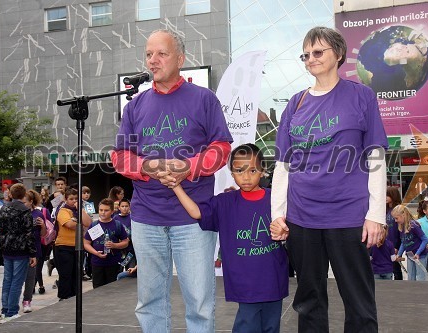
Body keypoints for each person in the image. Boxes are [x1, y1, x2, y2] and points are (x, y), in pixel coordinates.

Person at [111, 28, 233, 332]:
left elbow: (222, 148)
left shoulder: (204, 99)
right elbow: (119, 156)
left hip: (193, 218)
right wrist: (147, 166)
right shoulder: (135, 106)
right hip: (146, 216)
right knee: (150, 302)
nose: (153, 60)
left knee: (200, 304)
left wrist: (188, 167)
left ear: (180, 58)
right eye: (149, 54)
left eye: (161, 53)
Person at [269, 26, 388, 332]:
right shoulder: (294, 104)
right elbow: (283, 164)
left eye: (318, 52)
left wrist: (376, 215)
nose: (311, 59)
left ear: (338, 54)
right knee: (308, 301)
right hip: (302, 218)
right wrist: (278, 215)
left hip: (349, 215)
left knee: (359, 303)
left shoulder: (361, 96)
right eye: (306, 54)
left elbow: (375, 156)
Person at [174, 144, 288, 333]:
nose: (246, 176)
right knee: (246, 325)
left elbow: (290, 227)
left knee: (271, 327)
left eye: (252, 170)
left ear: (262, 171)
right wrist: (176, 186)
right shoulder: (225, 202)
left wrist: (285, 231)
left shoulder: (275, 200)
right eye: (239, 170)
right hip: (245, 282)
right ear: (232, 173)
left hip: (273, 280)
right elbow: (196, 212)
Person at [0, 183, 37, 323]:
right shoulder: (24, 211)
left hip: (7, 249)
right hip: (20, 250)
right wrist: (33, 254)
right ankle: (12, 312)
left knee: (7, 280)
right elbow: (28, 234)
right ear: (23, 194)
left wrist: (2, 248)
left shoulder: (3, 208)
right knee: (17, 281)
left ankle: (5, 310)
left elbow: (0, 231)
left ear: (11, 194)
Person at [54, 188, 91, 300]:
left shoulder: (79, 210)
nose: (74, 201)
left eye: (76, 199)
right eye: (71, 199)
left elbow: (88, 223)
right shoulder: (63, 210)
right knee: (66, 273)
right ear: (66, 199)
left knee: (77, 273)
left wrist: (80, 210)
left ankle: (75, 295)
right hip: (63, 246)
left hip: (78, 246)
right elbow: (69, 224)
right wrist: (79, 222)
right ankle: (64, 296)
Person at [84, 198, 129, 288]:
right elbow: (86, 243)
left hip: (113, 263)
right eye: (101, 210)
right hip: (97, 263)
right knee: (97, 289)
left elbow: (126, 242)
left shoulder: (117, 225)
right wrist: (95, 253)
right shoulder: (94, 225)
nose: (103, 212)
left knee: (112, 289)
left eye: (106, 210)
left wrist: (115, 245)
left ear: (112, 211)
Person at [21, 190, 47, 313]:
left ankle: (27, 300)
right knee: (16, 277)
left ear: (31, 202)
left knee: (31, 277)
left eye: (24, 201)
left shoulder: (38, 213)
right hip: (20, 249)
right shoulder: (19, 213)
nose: (22, 203)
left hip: (35, 248)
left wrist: (43, 225)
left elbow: (43, 234)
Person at [392, 205, 428, 281]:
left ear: (403, 215)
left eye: (397, 218)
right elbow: (404, 242)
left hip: (420, 255)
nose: (395, 221)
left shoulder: (413, 226)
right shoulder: (401, 227)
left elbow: (425, 240)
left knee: (420, 277)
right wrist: (399, 254)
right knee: (410, 277)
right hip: (410, 255)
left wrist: (418, 253)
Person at [386, 186, 403, 280]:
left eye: (387, 195)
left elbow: (401, 230)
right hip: (385, 244)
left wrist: (397, 246)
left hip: (395, 244)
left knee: (396, 268)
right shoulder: (384, 210)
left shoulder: (399, 210)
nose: (385, 198)